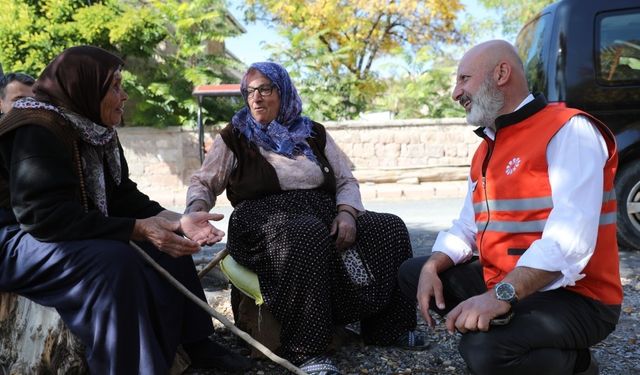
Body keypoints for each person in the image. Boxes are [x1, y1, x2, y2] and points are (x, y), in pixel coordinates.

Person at [0, 46, 253, 374]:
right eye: (115, 87)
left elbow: (123, 198)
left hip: (64, 228)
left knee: (169, 245)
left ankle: (196, 343)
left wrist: (178, 221)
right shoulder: (36, 128)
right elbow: (42, 217)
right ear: (86, 88)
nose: (125, 95)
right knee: (115, 262)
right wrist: (138, 228)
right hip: (15, 237)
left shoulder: (95, 128)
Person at [186, 61, 426, 375]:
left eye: (265, 89)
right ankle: (308, 350)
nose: (256, 98)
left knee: (387, 227)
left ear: (283, 92)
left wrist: (347, 213)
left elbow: (345, 181)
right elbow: (204, 182)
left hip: (321, 213)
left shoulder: (313, 133)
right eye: (249, 91)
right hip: (260, 221)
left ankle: (388, 328)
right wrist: (194, 213)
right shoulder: (235, 136)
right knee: (305, 233)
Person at [398, 40, 622, 375]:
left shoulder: (569, 130)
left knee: (482, 351)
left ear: (501, 73)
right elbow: (467, 226)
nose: (456, 92)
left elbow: (568, 243)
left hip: (580, 297)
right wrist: (433, 265)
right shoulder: (487, 146)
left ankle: (578, 364)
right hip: (514, 284)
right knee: (414, 273)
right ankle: (510, 331)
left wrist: (500, 296)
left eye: (464, 79)